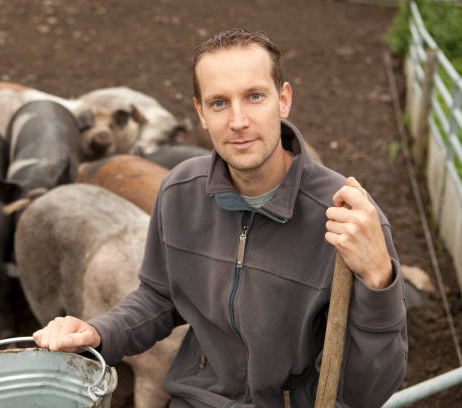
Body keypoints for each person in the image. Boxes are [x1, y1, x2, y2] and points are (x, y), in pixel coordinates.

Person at [33, 28, 408, 407]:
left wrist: (379, 278)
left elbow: (370, 391)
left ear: (284, 100)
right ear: (200, 113)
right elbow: (160, 297)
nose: (238, 120)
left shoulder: (345, 216)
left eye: (254, 96)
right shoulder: (180, 190)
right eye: (219, 103)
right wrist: (97, 331)